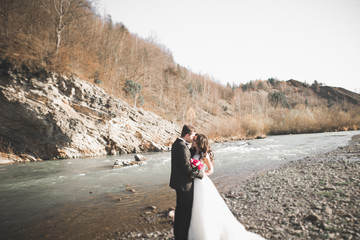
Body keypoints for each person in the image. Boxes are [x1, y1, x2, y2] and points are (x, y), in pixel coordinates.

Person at [188, 133, 266, 240]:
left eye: (195, 140)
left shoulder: (204, 155)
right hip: (193, 182)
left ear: (200, 142)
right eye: (193, 140)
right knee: (194, 205)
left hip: (202, 181)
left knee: (204, 206)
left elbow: (211, 170)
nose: (193, 141)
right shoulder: (192, 152)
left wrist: (202, 174)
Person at [169, 125, 205, 240]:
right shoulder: (181, 146)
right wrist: (201, 175)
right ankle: (182, 236)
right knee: (185, 211)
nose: (194, 138)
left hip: (179, 183)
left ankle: (178, 234)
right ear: (187, 135)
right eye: (193, 135)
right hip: (184, 184)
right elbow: (187, 168)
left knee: (180, 209)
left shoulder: (179, 144)